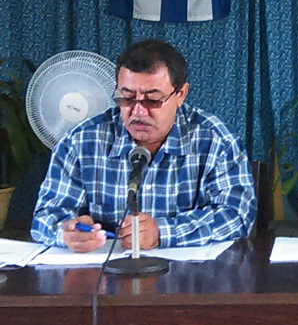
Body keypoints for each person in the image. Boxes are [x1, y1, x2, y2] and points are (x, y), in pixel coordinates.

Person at [31, 39, 257, 252]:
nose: (138, 112)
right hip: (104, 280)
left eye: (152, 100)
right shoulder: (81, 141)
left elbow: (237, 214)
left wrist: (163, 232)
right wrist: (67, 232)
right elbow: (44, 219)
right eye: (127, 98)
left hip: (189, 282)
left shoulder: (216, 141)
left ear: (181, 94)